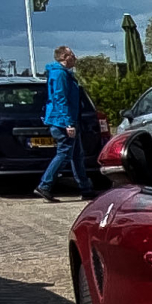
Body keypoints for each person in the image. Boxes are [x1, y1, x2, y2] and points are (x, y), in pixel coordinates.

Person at [34, 46, 103, 201]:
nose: (75, 58)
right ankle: (44, 185)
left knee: (77, 155)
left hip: (69, 120)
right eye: (72, 55)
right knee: (64, 153)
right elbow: (60, 99)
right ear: (65, 57)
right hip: (62, 122)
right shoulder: (59, 75)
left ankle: (85, 188)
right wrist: (68, 123)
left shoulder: (63, 74)